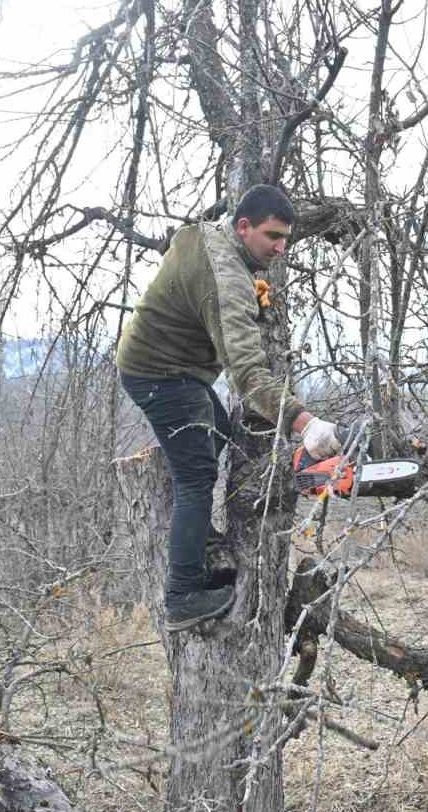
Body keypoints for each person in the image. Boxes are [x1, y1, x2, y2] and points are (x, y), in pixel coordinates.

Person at [117, 184, 342, 632]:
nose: (280, 248)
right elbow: (247, 374)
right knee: (197, 476)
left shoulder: (205, 236)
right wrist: (306, 423)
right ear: (243, 226)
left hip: (174, 369)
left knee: (217, 428)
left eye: (285, 239)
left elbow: (192, 260)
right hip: (158, 374)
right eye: (271, 236)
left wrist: (232, 289)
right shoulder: (230, 282)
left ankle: (198, 536)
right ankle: (182, 596)